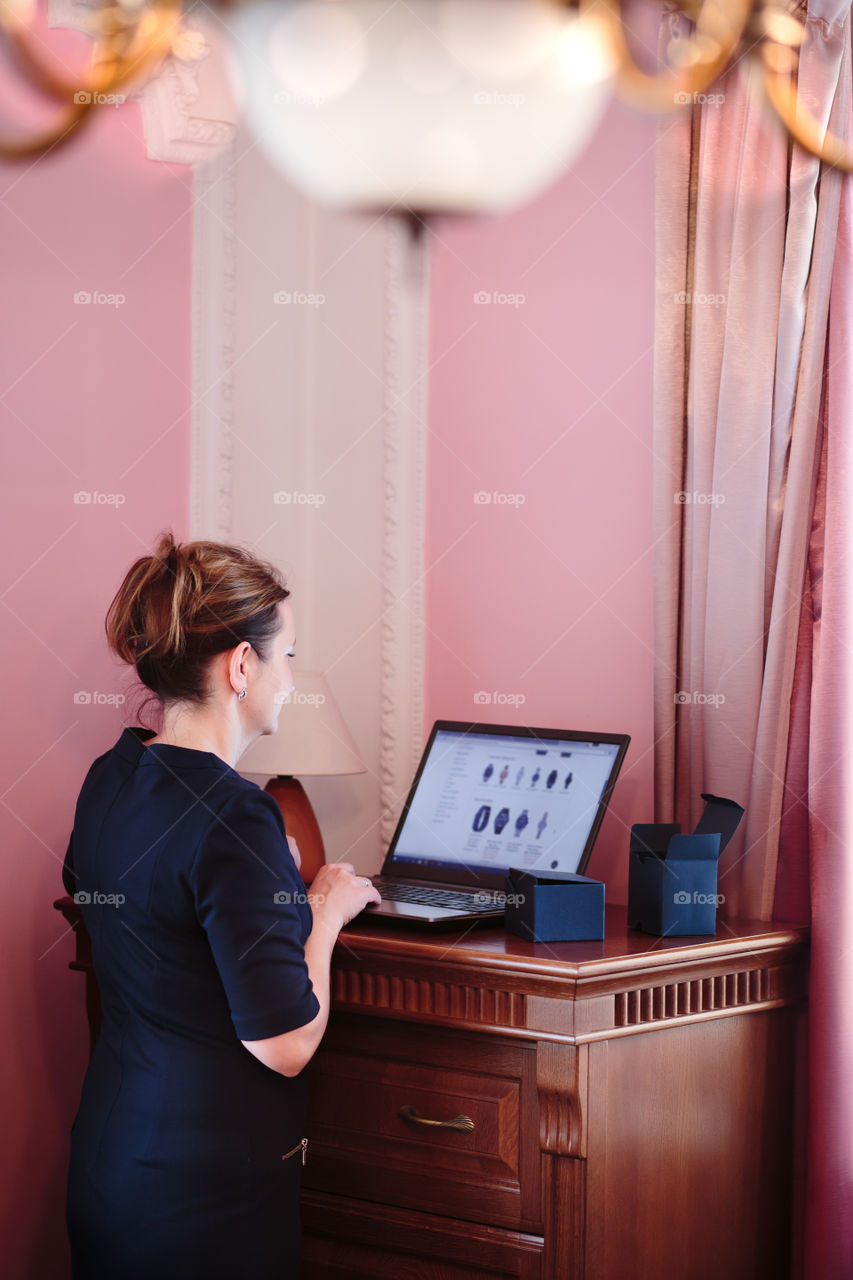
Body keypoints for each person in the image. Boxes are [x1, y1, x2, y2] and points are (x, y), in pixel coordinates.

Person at [61, 531, 381, 1279]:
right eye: (287, 657)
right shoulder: (235, 817)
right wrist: (325, 914)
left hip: (111, 1164)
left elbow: (117, 906)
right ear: (242, 665)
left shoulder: (110, 776)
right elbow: (285, 1043)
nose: (290, 680)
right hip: (201, 1198)